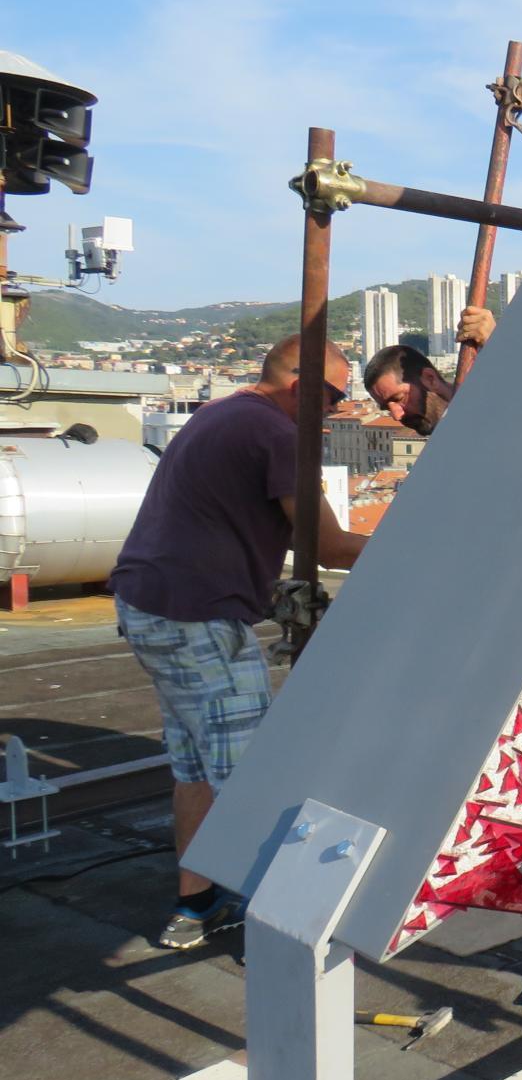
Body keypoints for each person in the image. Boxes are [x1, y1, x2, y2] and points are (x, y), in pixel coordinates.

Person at [110, 336, 368, 949]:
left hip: (152, 606)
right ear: (301, 385)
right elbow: (329, 546)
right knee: (253, 773)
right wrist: (425, 542)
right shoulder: (277, 434)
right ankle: (282, 933)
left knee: (195, 762)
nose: (334, 412)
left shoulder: (220, 414)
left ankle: (196, 904)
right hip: (199, 617)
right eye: (332, 398)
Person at [362, 305, 493, 435]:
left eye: (399, 398)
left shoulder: (488, 407)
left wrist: (493, 341)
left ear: (430, 379)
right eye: (387, 408)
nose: (396, 416)